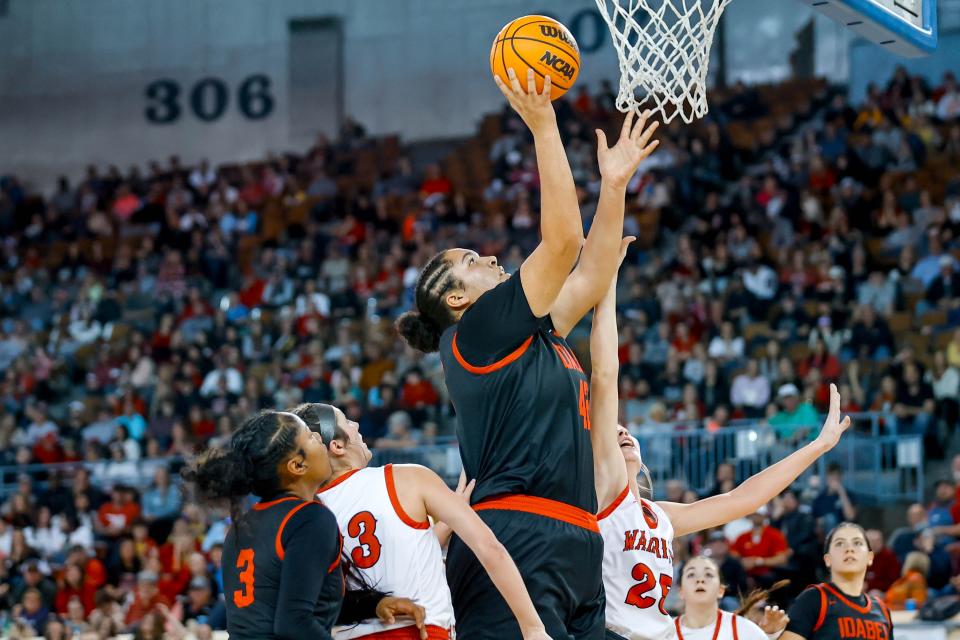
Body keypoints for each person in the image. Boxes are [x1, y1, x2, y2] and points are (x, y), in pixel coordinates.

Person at [396, 68, 659, 640]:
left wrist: (613, 187)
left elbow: (591, 275)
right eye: (470, 260)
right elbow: (565, 243)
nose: (489, 259)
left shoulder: (528, 334)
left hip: (577, 535)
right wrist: (544, 125)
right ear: (457, 298)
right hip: (515, 534)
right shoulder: (474, 334)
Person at [588, 264, 851, 640]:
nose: (621, 432)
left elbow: (743, 498)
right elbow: (605, 376)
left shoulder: (661, 516)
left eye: (626, 430)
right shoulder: (602, 496)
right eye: (612, 433)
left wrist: (818, 446)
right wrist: (607, 285)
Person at [292, 402, 549, 640]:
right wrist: (532, 627)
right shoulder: (406, 478)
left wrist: (446, 522)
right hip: (421, 630)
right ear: (337, 446)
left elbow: (396, 552)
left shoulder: (307, 511)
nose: (357, 425)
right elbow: (489, 547)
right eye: (347, 421)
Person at [184, 410, 425, 640]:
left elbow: (299, 603)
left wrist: (374, 604)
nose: (319, 436)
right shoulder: (308, 518)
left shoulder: (241, 528)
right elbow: (294, 623)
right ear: (297, 466)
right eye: (310, 436)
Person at [781, 523, 893, 640]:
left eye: (857, 543)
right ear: (828, 560)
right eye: (840, 543)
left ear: (870, 558)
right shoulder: (814, 599)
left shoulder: (882, 610)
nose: (849, 549)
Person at [674, 556, 787, 640]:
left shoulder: (744, 629)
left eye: (708, 574)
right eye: (691, 574)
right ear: (681, 591)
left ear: (721, 590)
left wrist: (772, 636)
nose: (700, 580)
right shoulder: (663, 631)